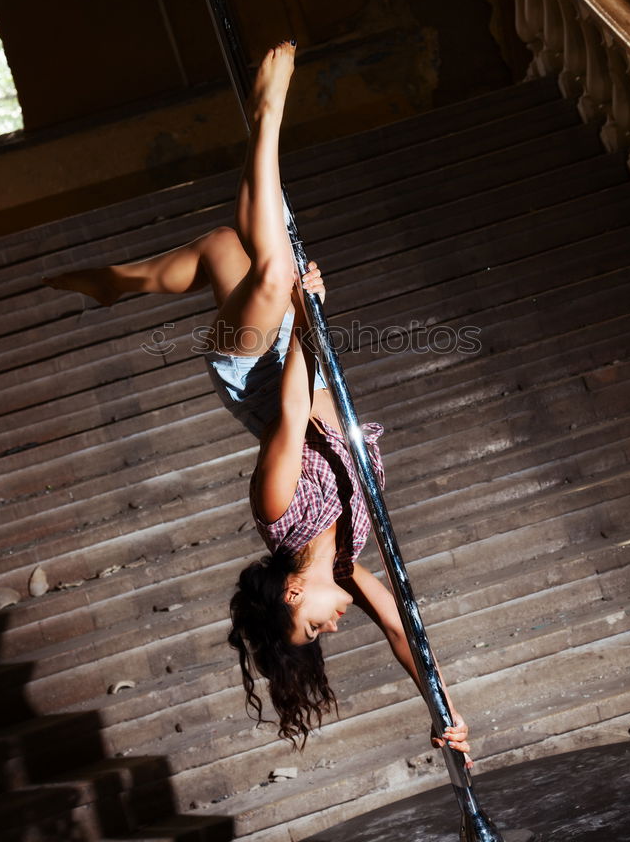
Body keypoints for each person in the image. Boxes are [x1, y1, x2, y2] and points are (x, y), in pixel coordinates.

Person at [45, 41, 471, 759]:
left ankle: (265, 113)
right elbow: (405, 632)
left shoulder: (277, 510)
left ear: (288, 600)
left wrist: (308, 317)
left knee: (273, 275)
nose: (333, 631)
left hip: (258, 373)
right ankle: (123, 282)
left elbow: (292, 406)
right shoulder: (347, 563)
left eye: (310, 632)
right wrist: (445, 713)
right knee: (225, 247)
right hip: (297, 356)